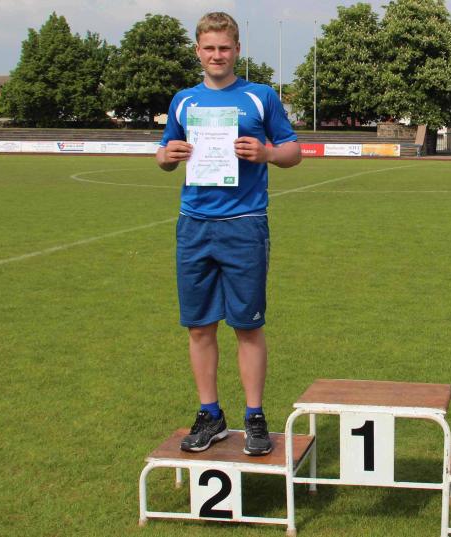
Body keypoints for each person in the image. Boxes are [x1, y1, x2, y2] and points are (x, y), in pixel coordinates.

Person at [156, 12, 301, 456]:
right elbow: (163, 155)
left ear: (237, 50)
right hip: (194, 225)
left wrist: (267, 153)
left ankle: (254, 417)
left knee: (247, 326)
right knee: (199, 327)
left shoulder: (260, 97)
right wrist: (168, 156)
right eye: (209, 48)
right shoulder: (184, 100)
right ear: (197, 51)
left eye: (224, 48)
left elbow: (293, 150)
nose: (216, 55)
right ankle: (210, 414)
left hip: (244, 225)